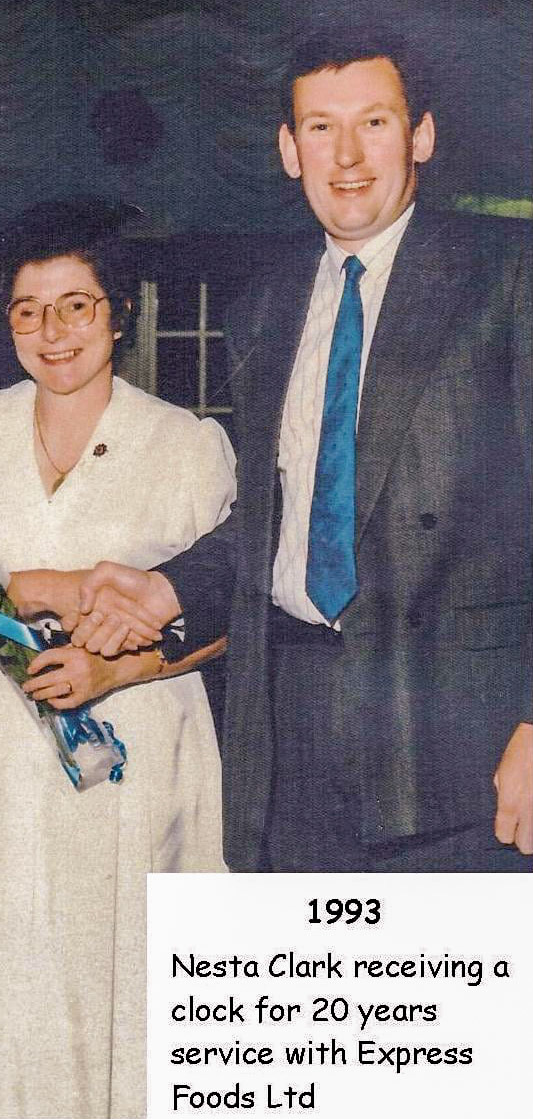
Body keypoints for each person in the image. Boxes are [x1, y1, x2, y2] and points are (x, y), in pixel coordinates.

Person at [73, 28, 532, 872]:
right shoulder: (266, 305)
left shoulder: (505, 273)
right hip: (286, 738)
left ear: (421, 135)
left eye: (375, 123)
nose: (346, 156)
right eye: (319, 128)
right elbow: (278, 516)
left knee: (451, 1005)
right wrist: (167, 585)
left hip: (457, 742)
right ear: (289, 150)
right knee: (307, 1002)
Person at [0, 199, 235, 1119]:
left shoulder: (187, 444)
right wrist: (58, 584)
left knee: (112, 974)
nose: (53, 332)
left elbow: (219, 620)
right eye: (27, 310)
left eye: (77, 305)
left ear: (117, 313)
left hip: (133, 736)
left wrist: (106, 653)